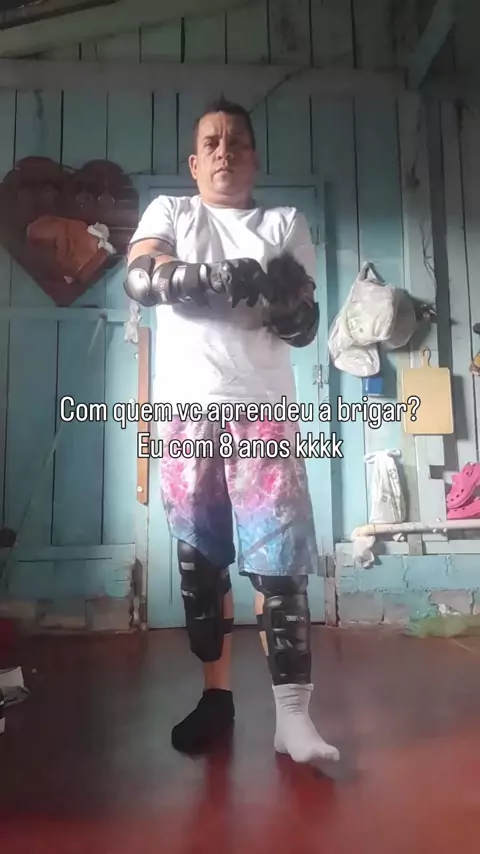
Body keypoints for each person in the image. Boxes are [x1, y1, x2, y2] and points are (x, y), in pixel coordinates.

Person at [125, 97, 339, 766]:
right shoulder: (170, 212)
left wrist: (279, 298)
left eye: (236, 142)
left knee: (282, 569)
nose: (224, 151)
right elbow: (141, 276)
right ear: (195, 163)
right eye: (212, 143)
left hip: (264, 409)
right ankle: (216, 698)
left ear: (254, 158)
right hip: (187, 412)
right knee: (200, 564)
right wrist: (204, 278)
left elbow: (304, 324)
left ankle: (293, 719)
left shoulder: (284, 222)